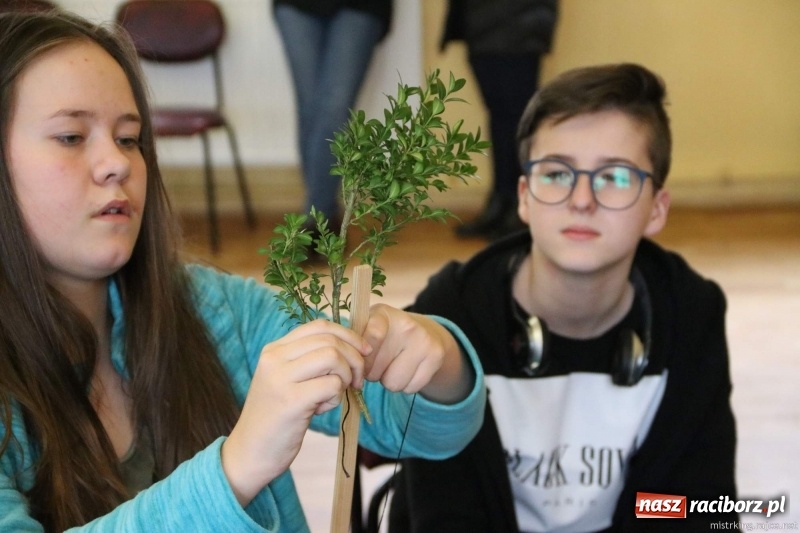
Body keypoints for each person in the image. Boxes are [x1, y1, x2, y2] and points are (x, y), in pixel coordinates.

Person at [0, 11, 486, 532]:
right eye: (72, 136)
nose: (116, 164)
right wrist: (236, 468)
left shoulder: (215, 310)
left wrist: (438, 360)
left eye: (129, 138)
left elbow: (421, 430)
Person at [387, 63, 739, 531]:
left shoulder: (692, 312)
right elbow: (443, 514)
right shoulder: (454, 312)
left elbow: (695, 507)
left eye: (614, 177)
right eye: (556, 173)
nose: (581, 200)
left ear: (657, 209)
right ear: (525, 196)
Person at [442, 0, 559, 240]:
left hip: (520, 20)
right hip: (479, 21)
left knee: (516, 114)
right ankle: (502, 200)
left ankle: (519, 205)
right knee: (500, 115)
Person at [272, 0, 392, 231]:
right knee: (310, 113)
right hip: (295, 6)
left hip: (360, 7)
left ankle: (315, 220)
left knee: (334, 109)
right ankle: (323, 216)